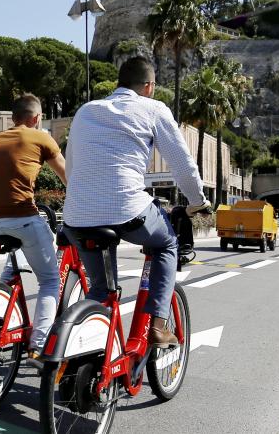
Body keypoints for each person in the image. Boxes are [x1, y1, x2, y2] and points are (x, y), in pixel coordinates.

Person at [63, 57, 211, 348]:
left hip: (77, 216)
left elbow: (71, 168)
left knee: (101, 292)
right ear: (149, 86)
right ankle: (157, 325)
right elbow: (183, 166)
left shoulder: (86, 110)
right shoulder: (153, 108)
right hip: (127, 210)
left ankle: (87, 349)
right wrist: (198, 202)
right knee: (167, 243)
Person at [0, 93, 67, 363]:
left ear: (13, 118)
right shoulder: (40, 137)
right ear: (37, 118)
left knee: (12, 268)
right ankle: (38, 348)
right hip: (21, 218)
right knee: (51, 280)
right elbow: (68, 176)